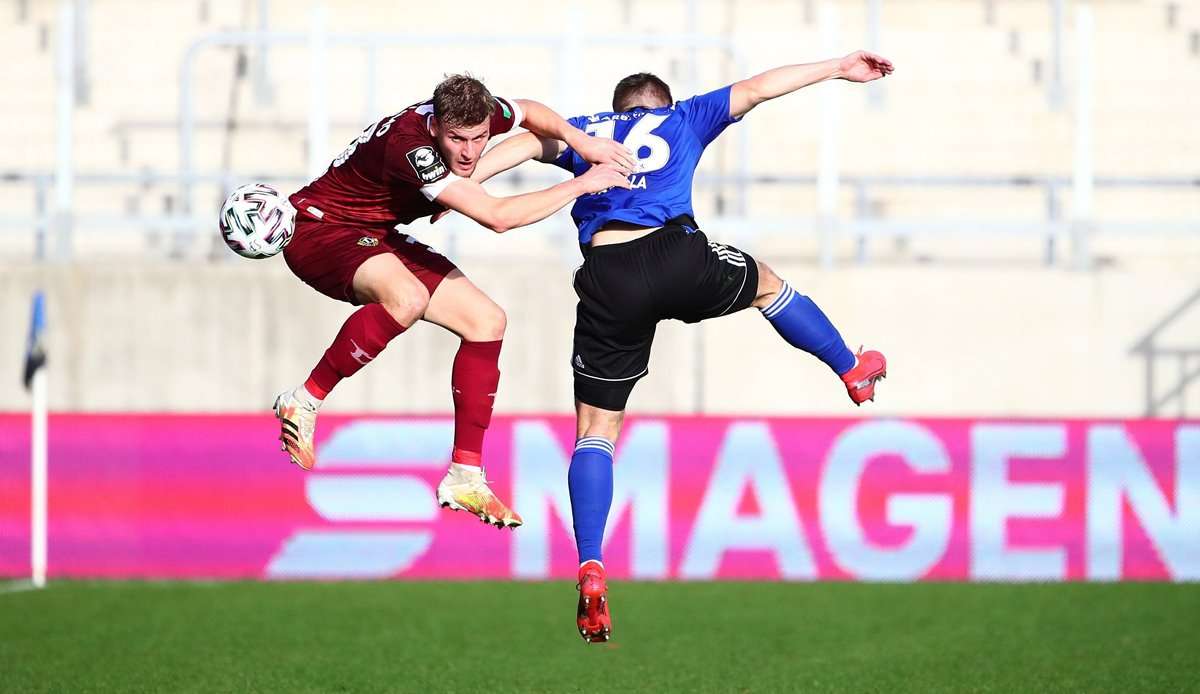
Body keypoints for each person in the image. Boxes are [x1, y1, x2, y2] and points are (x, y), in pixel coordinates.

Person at [472, 51, 894, 638]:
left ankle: (591, 563)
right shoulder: (685, 118)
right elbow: (760, 85)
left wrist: (466, 177)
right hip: (675, 255)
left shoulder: (584, 132)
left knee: (595, 432)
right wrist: (836, 67)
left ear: (616, 109)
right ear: (662, 106)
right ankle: (849, 368)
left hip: (607, 275)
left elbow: (522, 142)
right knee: (767, 284)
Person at [273, 74, 635, 530]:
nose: (468, 151)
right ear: (435, 127)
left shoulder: (475, 112)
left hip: (373, 234)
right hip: (321, 231)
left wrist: (582, 142)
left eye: (479, 138)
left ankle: (466, 474)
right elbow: (498, 218)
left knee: (486, 321)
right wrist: (584, 183)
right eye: (456, 139)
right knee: (406, 298)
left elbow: (527, 109)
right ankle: (303, 400)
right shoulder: (413, 148)